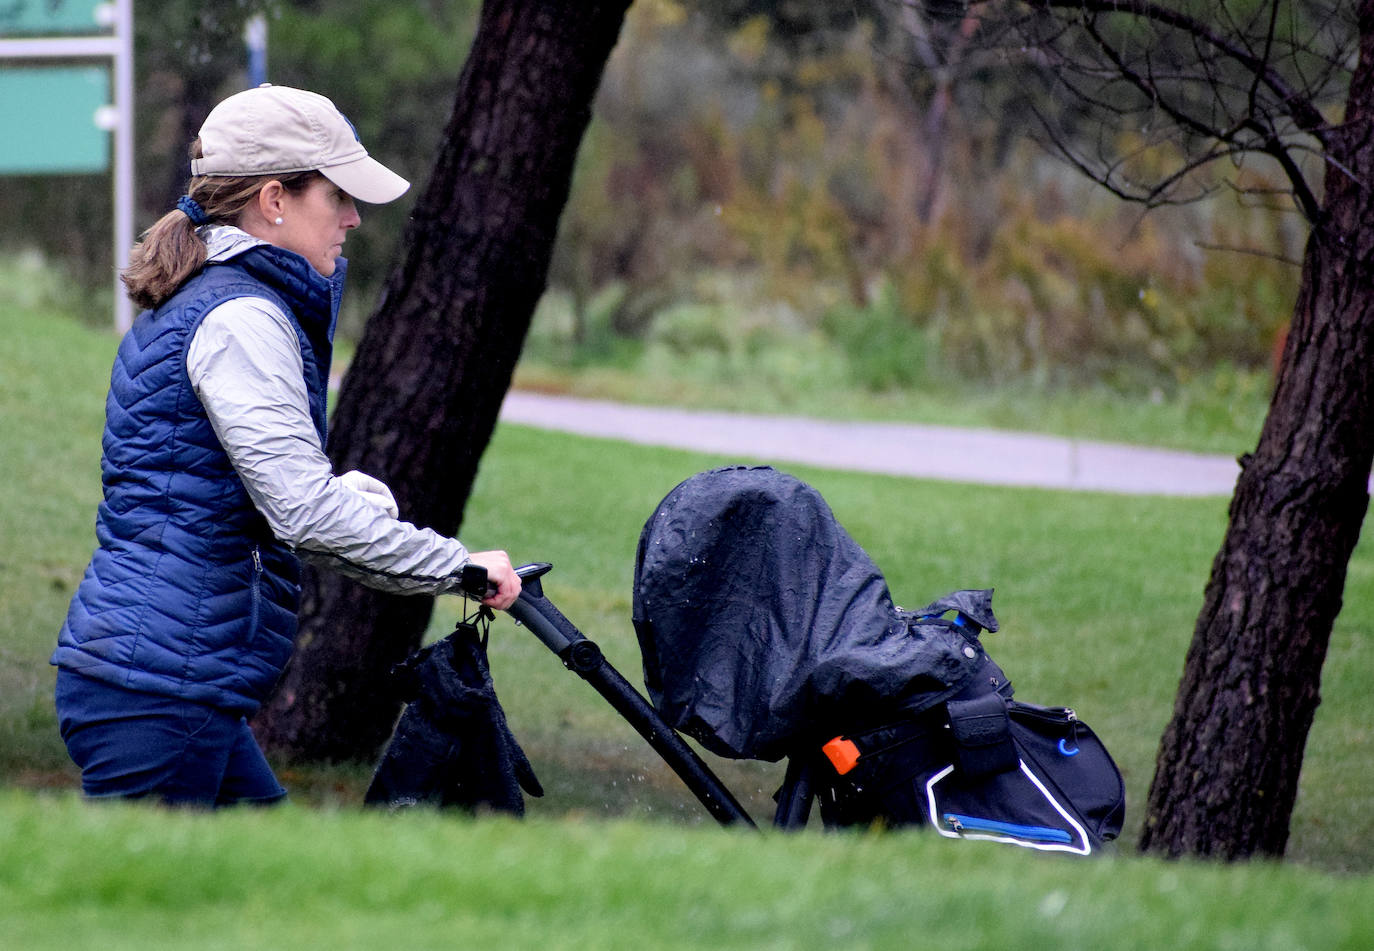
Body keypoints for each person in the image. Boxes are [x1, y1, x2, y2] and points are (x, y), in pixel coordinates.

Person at [51, 83, 521, 807]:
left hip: (165, 681)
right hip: (161, 689)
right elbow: (302, 513)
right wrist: (458, 566)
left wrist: (353, 502)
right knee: (150, 919)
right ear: (274, 200)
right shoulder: (241, 315)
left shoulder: (214, 295)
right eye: (337, 197)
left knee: (267, 896)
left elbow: (231, 491)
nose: (354, 218)